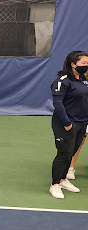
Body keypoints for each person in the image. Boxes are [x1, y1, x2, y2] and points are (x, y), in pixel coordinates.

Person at [49, 51, 88, 199]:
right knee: (64, 153)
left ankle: (63, 179)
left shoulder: (83, 81)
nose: (86, 66)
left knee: (70, 153)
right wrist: (67, 124)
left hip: (82, 124)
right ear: (73, 64)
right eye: (83, 63)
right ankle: (55, 184)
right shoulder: (62, 81)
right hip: (65, 125)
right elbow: (58, 104)